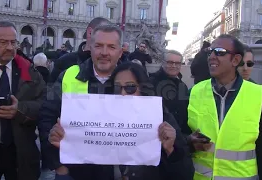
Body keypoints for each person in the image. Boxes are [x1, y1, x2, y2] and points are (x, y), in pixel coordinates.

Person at [49, 62, 194, 180]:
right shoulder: (98, 119)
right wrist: (67, 145)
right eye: (117, 88)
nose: (123, 94)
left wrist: (171, 150)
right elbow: (85, 171)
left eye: (130, 87)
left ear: (143, 88)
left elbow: (185, 175)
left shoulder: (162, 119)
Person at [38, 25, 123, 180]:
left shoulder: (134, 79)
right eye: (98, 46)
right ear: (90, 47)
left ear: (120, 52)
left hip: (116, 172)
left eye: (111, 47)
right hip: (72, 171)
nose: (104, 52)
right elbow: (46, 117)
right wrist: (58, 164)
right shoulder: (68, 75)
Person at [0, 21, 46, 180]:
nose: (11, 47)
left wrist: (20, 110)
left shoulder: (31, 72)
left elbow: (44, 105)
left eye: (13, 42)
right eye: (4, 42)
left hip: (21, 155)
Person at [187, 34, 262, 180]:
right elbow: (182, 133)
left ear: (235, 60)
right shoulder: (194, 91)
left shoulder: (258, 94)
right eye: (210, 51)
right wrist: (189, 141)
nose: (212, 57)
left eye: (220, 52)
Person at [49, 17, 111, 83]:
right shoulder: (64, 61)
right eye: (104, 34)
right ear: (90, 32)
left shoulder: (116, 65)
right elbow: (50, 90)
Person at [150, 50, 190, 135]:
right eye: (170, 62)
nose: (174, 66)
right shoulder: (151, 83)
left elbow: (186, 113)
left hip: (179, 137)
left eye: (178, 63)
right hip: (158, 136)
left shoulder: (182, 86)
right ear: (163, 63)